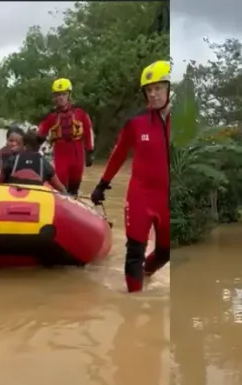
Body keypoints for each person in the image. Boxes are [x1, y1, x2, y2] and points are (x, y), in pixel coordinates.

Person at [90, 60, 171, 293]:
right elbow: (117, 154)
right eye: (149, 90)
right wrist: (102, 184)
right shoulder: (135, 122)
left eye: (158, 88)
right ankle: (132, 305)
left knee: (166, 252)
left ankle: (146, 273)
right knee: (135, 250)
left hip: (167, 199)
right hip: (140, 196)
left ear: (170, 88)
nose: (153, 94)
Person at [36, 78, 94, 196]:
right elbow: (40, 134)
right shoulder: (51, 116)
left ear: (69, 95)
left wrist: (90, 151)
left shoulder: (80, 112)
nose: (60, 98)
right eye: (57, 95)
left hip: (77, 152)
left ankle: (74, 202)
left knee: (75, 185)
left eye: (63, 94)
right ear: (54, 97)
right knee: (61, 185)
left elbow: (88, 131)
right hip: (61, 151)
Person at [0, 130, 67, 193]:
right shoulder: (45, 163)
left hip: (14, 197)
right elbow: (60, 188)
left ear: (24, 145)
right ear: (39, 147)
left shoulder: (13, 159)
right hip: (36, 200)